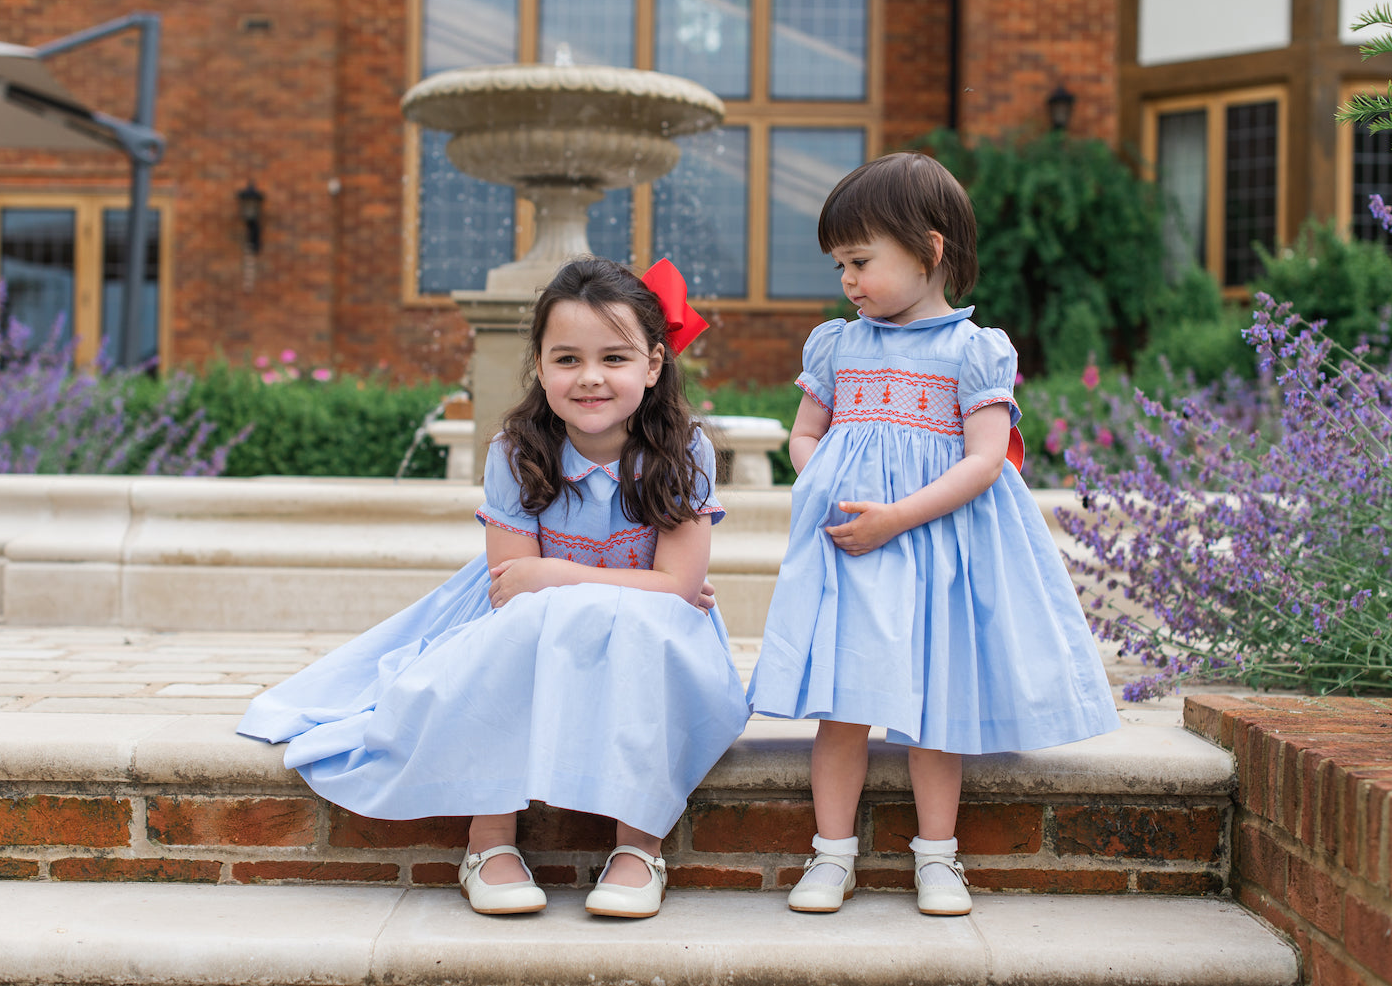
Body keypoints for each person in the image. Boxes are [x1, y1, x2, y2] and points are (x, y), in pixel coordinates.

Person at [238, 256, 750, 920]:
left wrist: (561, 571)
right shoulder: (517, 450)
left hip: (649, 630)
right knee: (518, 633)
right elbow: (514, 591)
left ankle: (638, 841)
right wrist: (629, 583)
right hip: (532, 622)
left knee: (640, 628)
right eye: (567, 358)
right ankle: (490, 838)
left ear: (653, 364)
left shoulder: (685, 450)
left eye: (614, 358)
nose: (590, 377)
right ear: (539, 364)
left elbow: (677, 586)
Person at [746, 151, 1120, 917]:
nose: (847, 280)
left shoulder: (972, 351)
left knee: (935, 701)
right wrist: (832, 483)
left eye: (860, 260)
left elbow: (985, 460)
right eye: (839, 265)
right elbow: (804, 436)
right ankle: (831, 853)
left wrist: (898, 514)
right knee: (843, 702)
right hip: (854, 542)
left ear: (930, 249)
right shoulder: (838, 345)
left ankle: (938, 857)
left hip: (935, 547)